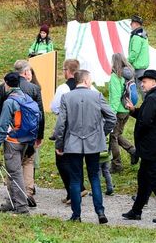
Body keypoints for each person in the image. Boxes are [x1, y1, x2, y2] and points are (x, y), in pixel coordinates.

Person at [53, 69, 116, 224]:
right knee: (94, 176)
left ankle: (76, 215)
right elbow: (111, 117)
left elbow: (61, 124)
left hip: (72, 143)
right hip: (93, 142)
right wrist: (101, 133)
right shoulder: (97, 96)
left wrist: (59, 143)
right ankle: (100, 212)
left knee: (75, 179)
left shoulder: (66, 97)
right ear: (87, 81)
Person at [122, 69, 156, 223]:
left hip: (150, 145)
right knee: (143, 177)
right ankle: (136, 210)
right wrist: (134, 110)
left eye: (144, 81)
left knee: (153, 179)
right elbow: (149, 115)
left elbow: (145, 120)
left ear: (154, 82)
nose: (141, 84)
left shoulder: (152, 99)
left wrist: (139, 132)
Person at [0, 59, 45, 206]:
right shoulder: (33, 89)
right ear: (26, 72)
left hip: (13, 138)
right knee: (28, 163)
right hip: (29, 136)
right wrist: (39, 135)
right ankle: (27, 192)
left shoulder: (5, 92)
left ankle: (18, 200)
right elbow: (40, 114)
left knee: (13, 169)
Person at [0, 72, 33, 215]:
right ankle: (11, 201)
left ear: (6, 84)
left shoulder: (9, 102)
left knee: (15, 174)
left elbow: (3, 126)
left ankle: (22, 207)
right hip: (26, 140)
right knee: (12, 172)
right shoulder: (27, 98)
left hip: (13, 142)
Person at [50, 59, 88, 203]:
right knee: (77, 159)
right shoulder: (87, 87)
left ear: (68, 71)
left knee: (61, 160)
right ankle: (78, 188)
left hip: (67, 128)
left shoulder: (63, 88)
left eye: (63, 70)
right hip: (83, 128)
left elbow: (54, 107)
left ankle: (73, 191)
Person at [107, 53, 138, 170]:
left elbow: (115, 98)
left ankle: (116, 164)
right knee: (117, 134)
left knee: (113, 136)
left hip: (118, 111)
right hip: (127, 109)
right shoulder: (129, 74)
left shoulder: (116, 77)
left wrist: (111, 113)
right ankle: (132, 150)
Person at [127, 16, 149, 83]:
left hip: (138, 67)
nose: (130, 25)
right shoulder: (142, 35)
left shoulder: (137, 37)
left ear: (136, 24)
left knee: (140, 88)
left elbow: (134, 52)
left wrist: (126, 62)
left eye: (132, 23)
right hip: (141, 66)